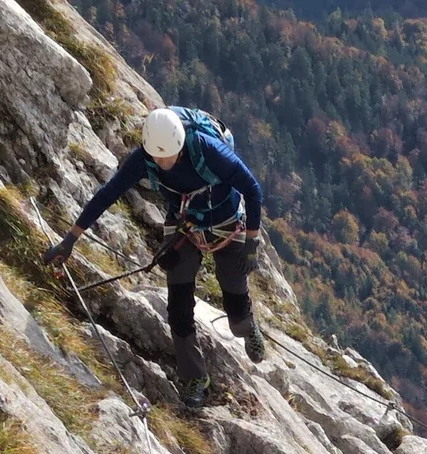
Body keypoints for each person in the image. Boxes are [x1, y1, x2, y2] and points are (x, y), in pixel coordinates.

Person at [43, 106, 265, 410]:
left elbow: (252, 189)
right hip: (185, 223)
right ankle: (194, 378)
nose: (163, 163)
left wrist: (251, 242)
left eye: (169, 157)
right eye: (157, 158)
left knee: (233, 289)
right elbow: (108, 193)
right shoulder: (144, 158)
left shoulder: (207, 150)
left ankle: (246, 328)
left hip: (226, 222)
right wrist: (69, 240)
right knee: (178, 301)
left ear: (180, 144)